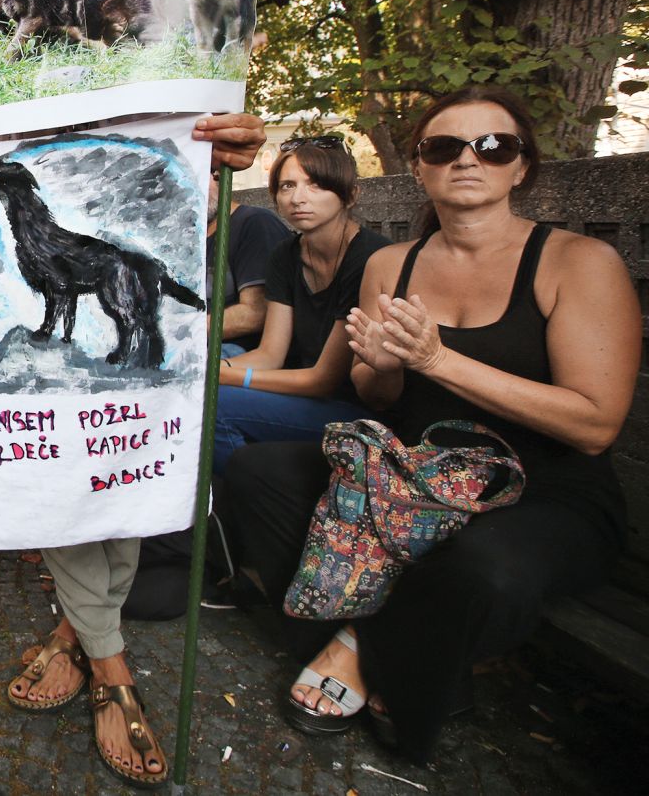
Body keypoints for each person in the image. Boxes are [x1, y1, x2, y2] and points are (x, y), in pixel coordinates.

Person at [228, 87, 638, 762]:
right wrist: (384, 368)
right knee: (255, 472)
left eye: (493, 146)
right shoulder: (393, 264)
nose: (468, 160)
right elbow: (377, 396)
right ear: (420, 167)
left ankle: (367, 650)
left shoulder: (577, 263)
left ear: (521, 165)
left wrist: (438, 359)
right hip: (415, 475)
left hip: (544, 489)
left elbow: (593, 425)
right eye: (444, 147)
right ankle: (400, 648)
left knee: (482, 567)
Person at [5, 112, 268, 788]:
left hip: (151, 362)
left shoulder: (157, 68)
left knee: (126, 476)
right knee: (62, 481)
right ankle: (111, 665)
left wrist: (228, 143)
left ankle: (72, 633)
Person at [212, 137, 389, 474]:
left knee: (214, 402)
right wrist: (212, 370)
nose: (298, 198)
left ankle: (243, 491)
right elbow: (270, 354)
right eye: (287, 186)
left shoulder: (370, 258)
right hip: (302, 389)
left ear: (350, 195)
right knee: (217, 361)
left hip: (354, 408)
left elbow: (323, 379)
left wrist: (222, 378)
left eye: (316, 185)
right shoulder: (286, 254)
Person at [207, 171, 291, 353]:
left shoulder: (255, 223)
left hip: (240, 351)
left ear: (217, 176)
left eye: (197, 178)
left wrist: (179, 330)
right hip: (197, 347)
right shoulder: (182, 237)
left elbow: (256, 313)